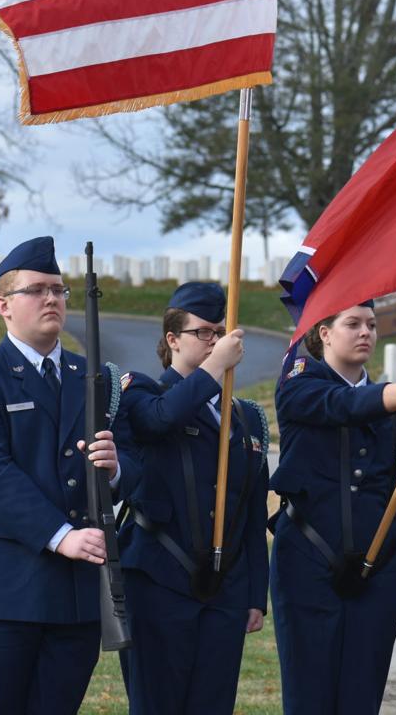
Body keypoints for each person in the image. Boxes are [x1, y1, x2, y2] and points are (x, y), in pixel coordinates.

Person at [0, 236, 138, 714]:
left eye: (59, 289)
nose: (52, 298)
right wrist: (60, 534)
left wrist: (114, 472)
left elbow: (131, 466)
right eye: (37, 290)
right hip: (0, 589)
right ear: (4, 305)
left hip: (72, 596)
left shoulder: (94, 377)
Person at [271, 301, 396, 713]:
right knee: (309, 697)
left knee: (363, 696)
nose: (365, 333)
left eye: (371, 325)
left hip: (379, 571)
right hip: (308, 563)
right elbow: (341, 405)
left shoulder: (395, 410)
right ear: (324, 333)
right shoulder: (298, 383)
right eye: (352, 324)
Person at [115, 282, 269, 714]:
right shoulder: (143, 392)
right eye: (204, 332)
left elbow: (252, 511)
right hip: (159, 579)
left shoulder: (246, 417)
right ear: (172, 339)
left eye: (221, 332)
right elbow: (158, 422)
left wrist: (255, 593)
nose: (215, 341)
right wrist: (212, 369)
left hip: (225, 587)